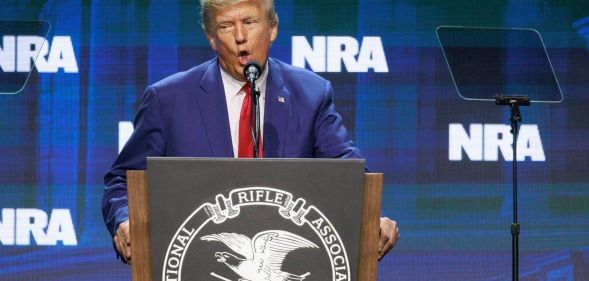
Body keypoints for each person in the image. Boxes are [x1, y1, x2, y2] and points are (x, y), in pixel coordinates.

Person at [103, 0, 399, 265]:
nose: (240, 37)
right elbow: (122, 180)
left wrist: (372, 217)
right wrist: (126, 221)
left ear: (272, 28)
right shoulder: (168, 100)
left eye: (249, 22)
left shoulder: (310, 95)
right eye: (226, 26)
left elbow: (347, 172)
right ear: (211, 38)